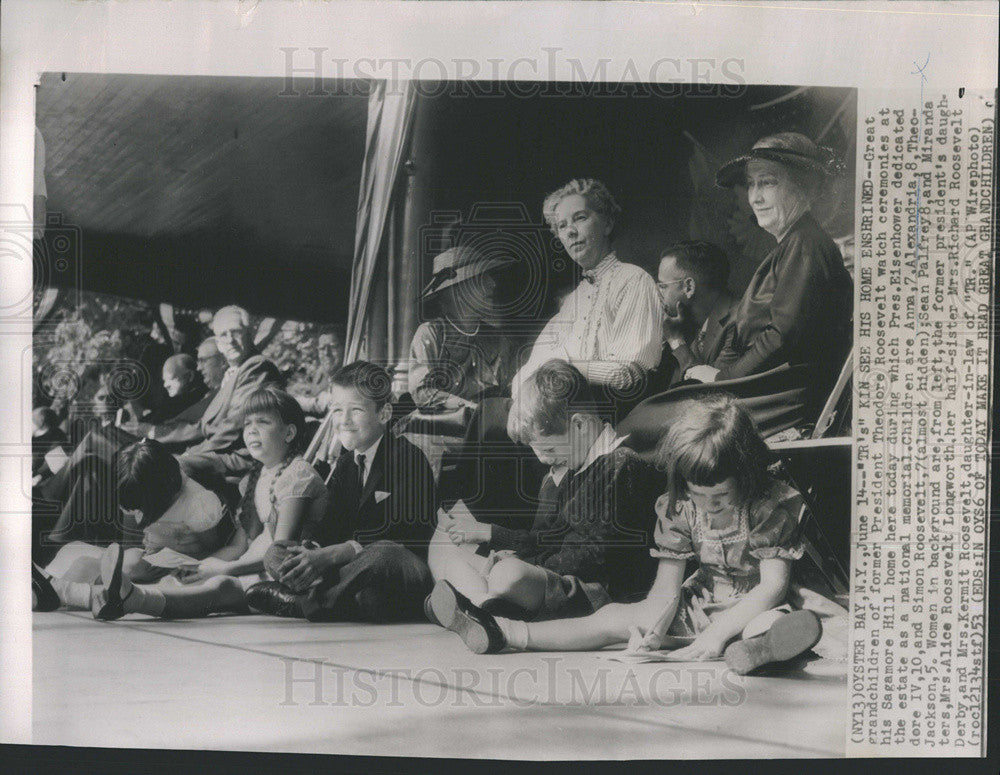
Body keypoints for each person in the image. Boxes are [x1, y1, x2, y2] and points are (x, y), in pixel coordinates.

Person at [428, 394, 848, 675]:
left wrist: (718, 635)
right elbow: (665, 591)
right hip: (701, 600)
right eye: (698, 495)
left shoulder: (767, 504)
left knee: (770, 621)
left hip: (757, 602)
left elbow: (773, 586)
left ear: (747, 474)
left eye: (719, 496)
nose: (708, 505)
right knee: (615, 617)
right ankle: (508, 633)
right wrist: (654, 630)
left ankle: (758, 649)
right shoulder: (679, 504)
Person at [35, 386, 328, 620]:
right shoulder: (255, 478)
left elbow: (280, 551)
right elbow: (242, 542)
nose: (251, 430)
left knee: (217, 587)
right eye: (247, 423)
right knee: (184, 580)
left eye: (262, 422)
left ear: (289, 433)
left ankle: (85, 595)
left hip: (284, 576)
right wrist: (207, 563)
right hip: (250, 567)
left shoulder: (296, 475)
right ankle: (67, 593)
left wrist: (222, 569)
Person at [428, 359, 662, 622]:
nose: (543, 460)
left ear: (580, 425)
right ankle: (484, 608)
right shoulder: (568, 469)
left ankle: (481, 607)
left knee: (509, 575)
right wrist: (512, 550)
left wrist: (527, 564)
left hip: (597, 591)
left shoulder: (619, 464)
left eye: (549, 450)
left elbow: (596, 557)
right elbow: (543, 539)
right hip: (552, 577)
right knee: (451, 556)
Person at [244, 361, 438, 623]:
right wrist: (311, 548)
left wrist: (332, 554)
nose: (343, 421)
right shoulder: (347, 463)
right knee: (277, 553)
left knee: (383, 553)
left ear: (384, 413)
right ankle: (341, 600)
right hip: (356, 572)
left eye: (355, 410)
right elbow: (331, 522)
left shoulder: (407, 457)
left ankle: (305, 603)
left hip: (400, 566)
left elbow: (404, 533)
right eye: (336, 410)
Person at [688, 132, 852, 393]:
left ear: (804, 187)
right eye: (751, 184)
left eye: (767, 183)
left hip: (788, 393)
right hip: (764, 384)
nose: (755, 198)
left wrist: (722, 380)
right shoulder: (791, 245)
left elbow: (781, 338)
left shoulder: (806, 244)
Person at [31, 438, 235, 610]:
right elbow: (138, 531)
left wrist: (186, 564)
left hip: (175, 562)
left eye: (138, 508)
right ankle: (60, 591)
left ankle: (62, 594)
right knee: (73, 554)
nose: (132, 513)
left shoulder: (199, 504)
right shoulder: (148, 485)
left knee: (122, 564)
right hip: (154, 555)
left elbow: (215, 548)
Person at [511, 178, 663, 404]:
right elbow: (524, 375)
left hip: (613, 411)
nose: (570, 231)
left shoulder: (633, 280)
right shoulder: (573, 302)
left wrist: (560, 366)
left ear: (607, 224)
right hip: (567, 410)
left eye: (580, 218)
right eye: (562, 226)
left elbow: (629, 377)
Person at [158, 305, 283, 486]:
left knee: (171, 467)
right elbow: (202, 426)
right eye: (223, 335)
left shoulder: (257, 367)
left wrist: (193, 453)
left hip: (243, 458)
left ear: (250, 333)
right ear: (218, 343)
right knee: (157, 460)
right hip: (221, 452)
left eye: (236, 332)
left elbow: (233, 428)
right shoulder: (233, 373)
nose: (230, 340)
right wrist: (159, 439)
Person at [407, 246, 519, 413]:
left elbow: (511, 393)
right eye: (481, 278)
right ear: (458, 291)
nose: (492, 284)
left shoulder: (499, 340)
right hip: (441, 430)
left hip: (488, 430)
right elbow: (423, 393)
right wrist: (473, 410)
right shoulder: (431, 334)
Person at [654, 241, 737, 387]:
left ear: (689, 287)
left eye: (663, 286)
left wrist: (676, 341)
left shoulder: (738, 322)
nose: (657, 293)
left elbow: (711, 393)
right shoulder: (683, 319)